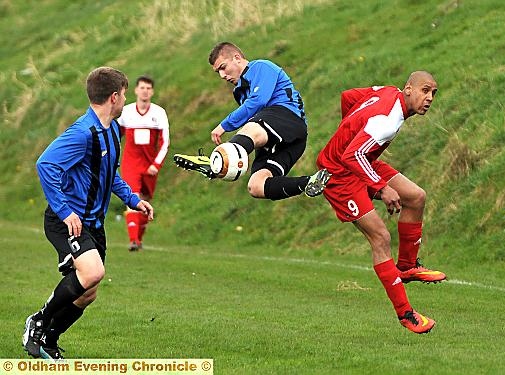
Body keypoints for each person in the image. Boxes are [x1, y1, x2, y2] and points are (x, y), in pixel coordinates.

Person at [23, 67, 154, 359]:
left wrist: (134, 199)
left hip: (93, 224)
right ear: (114, 97)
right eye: (125, 95)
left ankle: (48, 340)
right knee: (93, 272)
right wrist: (65, 210)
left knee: (88, 292)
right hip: (66, 221)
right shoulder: (83, 133)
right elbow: (46, 165)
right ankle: (38, 322)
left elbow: (110, 176)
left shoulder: (111, 133)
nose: (126, 101)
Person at [316, 71, 446, 334]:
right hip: (338, 174)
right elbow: (352, 155)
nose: (429, 98)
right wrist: (381, 187)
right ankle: (406, 315)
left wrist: (350, 129)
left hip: (361, 160)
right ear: (408, 89)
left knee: (416, 197)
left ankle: (408, 267)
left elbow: (348, 97)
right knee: (381, 238)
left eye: (433, 93)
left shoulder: (387, 91)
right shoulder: (386, 121)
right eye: (425, 90)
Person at [174, 42, 330, 200]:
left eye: (223, 67)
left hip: (288, 119)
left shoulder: (261, 67)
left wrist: (224, 125)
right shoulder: (239, 92)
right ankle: (311, 181)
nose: (222, 75)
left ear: (237, 58)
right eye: (217, 72)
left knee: (251, 128)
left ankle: (217, 161)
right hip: (286, 141)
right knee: (256, 186)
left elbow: (258, 101)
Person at [118, 75, 170, 251]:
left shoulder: (159, 113)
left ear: (152, 91)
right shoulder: (126, 112)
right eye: (142, 88)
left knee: (145, 202)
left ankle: (138, 238)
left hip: (149, 164)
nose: (145, 91)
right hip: (131, 163)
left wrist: (156, 164)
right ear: (136, 90)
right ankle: (133, 240)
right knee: (132, 197)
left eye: (148, 88)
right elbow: (116, 135)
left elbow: (165, 142)